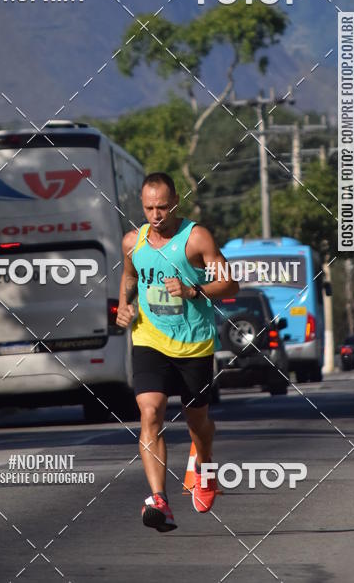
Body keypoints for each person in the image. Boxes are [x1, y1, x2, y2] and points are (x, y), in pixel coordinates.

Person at [116, 172, 239, 532]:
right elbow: (129, 277)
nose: (156, 215)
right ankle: (160, 500)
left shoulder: (196, 238)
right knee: (150, 411)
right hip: (149, 340)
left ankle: (205, 463)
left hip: (194, 342)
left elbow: (230, 283)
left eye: (163, 207)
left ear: (176, 203)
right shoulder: (132, 242)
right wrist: (125, 305)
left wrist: (193, 290)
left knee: (196, 422)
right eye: (150, 208)